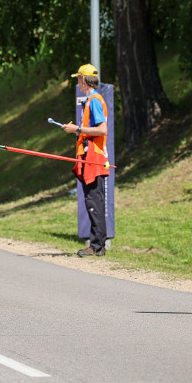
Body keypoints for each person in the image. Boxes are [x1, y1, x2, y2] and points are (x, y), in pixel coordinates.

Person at [61, 64, 109, 257]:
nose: (77, 83)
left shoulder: (95, 100)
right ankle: (98, 245)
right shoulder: (90, 100)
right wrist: (76, 128)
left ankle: (96, 246)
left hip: (94, 158)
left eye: (78, 79)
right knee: (93, 200)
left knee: (93, 201)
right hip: (91, 157)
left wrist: (78, 130)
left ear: (84, 80)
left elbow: (102, 129)